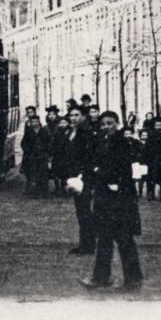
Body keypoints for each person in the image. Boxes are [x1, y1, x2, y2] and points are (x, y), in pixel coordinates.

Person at [80, 111, 143, 291]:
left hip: (119, 198)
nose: (107, 127)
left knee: (123, 238)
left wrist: (98, 171)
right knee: (104, 238)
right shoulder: (102, 141)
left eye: (110, 123)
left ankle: (133, 279)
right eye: (103, 124)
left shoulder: (122, 143)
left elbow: (120, 169)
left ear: (117, 124)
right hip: (105, 197)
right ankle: (101, 277)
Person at [64, 106, 97, 254]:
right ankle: (85, 243)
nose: (73, 118)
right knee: (81, 210)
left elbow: (90, 155)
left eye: (77, 115)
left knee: (84, 210)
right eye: (71, 115)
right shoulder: (71, 131)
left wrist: (83, 173)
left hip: (84, 176)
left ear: (83, 116)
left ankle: (88, 245)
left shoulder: (87, 132)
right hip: (74, 174)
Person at [21, 116, 49, 196]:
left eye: (36, 121)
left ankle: (44, 192)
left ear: (39, 122)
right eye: (32, 122)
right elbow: (23, 143)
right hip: (32, 157)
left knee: (43, 174)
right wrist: (28, 151)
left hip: (42, 156)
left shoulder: (44, 131)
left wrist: (46, 151)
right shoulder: (29, 132)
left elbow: (49, 142)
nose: (34, 123)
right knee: (33, 173)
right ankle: (34, 191)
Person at [49, 117, 71, 195]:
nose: (62, 125)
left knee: (64, 173)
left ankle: (63, 188)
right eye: (61, 123)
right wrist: (52, 154)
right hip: (57, 156)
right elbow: (53, 144)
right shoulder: (57, 133)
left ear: (68, 124)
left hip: (66, 156)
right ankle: (57, 188)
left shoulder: (70, 133)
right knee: (56, 173)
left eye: (64, 123)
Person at [136, 129, 151, 196]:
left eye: (146, 135)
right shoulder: (137, 143)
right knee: (140, 179)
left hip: (148, 163)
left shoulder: (150, 143)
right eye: (143, 135)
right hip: (141, 163)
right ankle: (140, 192)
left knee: (148, 179)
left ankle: (148, 192)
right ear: (140, 136)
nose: (144, 137)